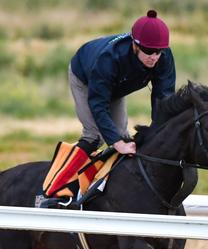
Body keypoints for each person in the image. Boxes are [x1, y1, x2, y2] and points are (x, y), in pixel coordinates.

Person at [41, 9, 175, 202]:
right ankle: (54, 187)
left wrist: (159, 132)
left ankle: (105, 186)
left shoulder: (164, 57)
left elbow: (163, 98)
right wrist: (117, 143)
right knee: (95, 136)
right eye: (148, 51)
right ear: (135, 45)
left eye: (158, 51)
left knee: (122, 137)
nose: (154, 56)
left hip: (115, 86)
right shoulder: (109, 59)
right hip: (86, 78)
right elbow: (98, 104)